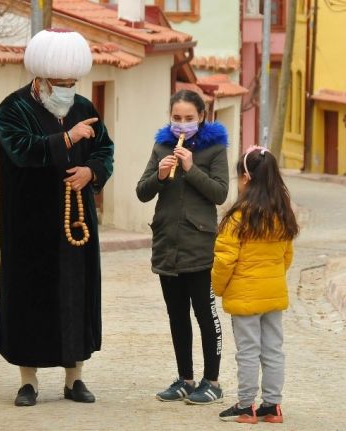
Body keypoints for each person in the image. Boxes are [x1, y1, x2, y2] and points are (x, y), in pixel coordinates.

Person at [0, 29, 114, 407]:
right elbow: (21, 150)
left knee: (75, 294)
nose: (67, 90)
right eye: (60, 84)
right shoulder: (12, 109)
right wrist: (66, 139)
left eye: (72, 83)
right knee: (29, 297)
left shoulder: (83, 108)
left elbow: (105, 150)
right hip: (28, 221)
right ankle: (27, 381)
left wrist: (91, 173)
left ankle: (74, 378)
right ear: (41, 81)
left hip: (75, 223)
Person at [136, 89, 229, 405]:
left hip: (199, 244)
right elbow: (142, 192)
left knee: (205, 314)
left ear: (201, 117)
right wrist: (160, 175)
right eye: (177, 118)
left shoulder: (214, 148)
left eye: (189, 119)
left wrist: (191, 169)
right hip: (167, 243)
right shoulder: (162, 145)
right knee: (177, 314)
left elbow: (219, 193)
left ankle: (212, 381)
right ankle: (185, 379)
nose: (182, 125)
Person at [212, 146, 299, 424]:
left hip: (244, 296)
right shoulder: (282, 215)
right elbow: (287, 257)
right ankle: (272, 406)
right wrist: (271, 278)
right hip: (273, 295)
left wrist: (219, 288)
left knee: (248, 351)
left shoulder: (238, 218)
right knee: (273, 349)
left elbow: (225, 261)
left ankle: (246, 405)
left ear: (246, 179)